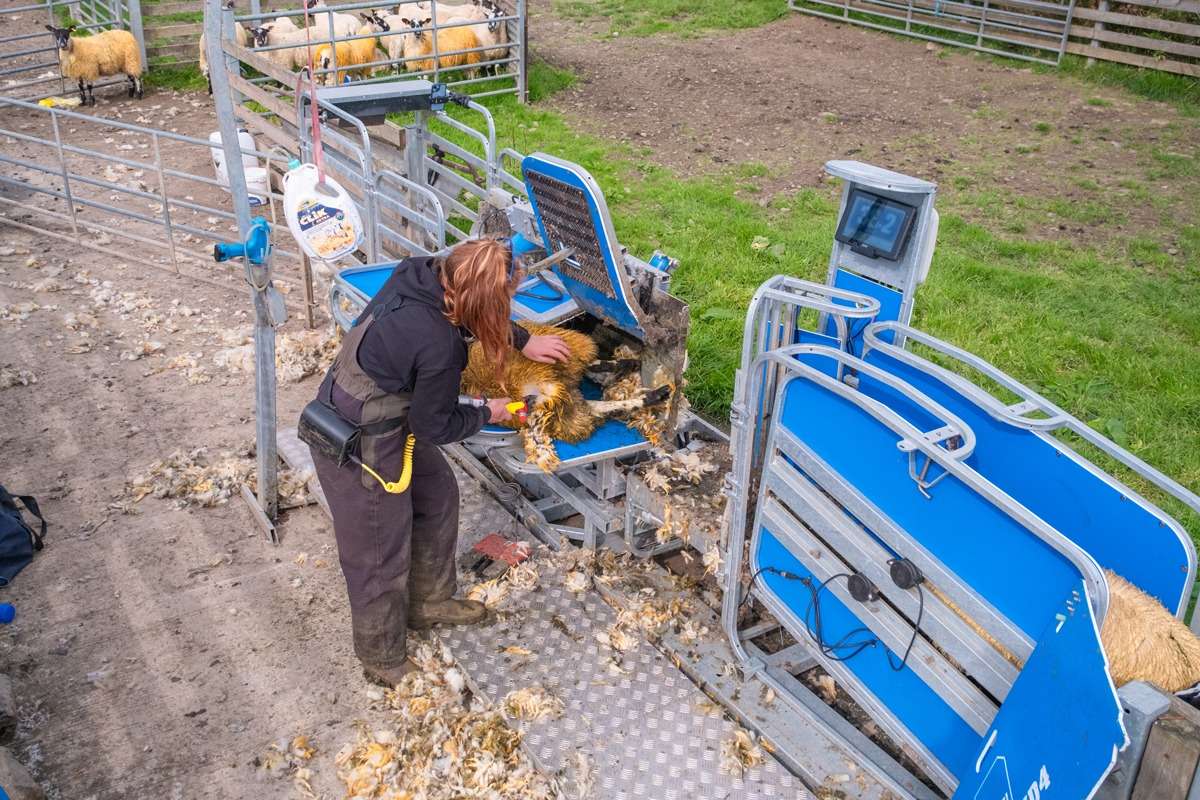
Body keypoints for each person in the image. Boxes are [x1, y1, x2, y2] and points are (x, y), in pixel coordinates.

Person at [308, 237, 570, 685]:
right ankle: (382, 657)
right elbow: (435, 426)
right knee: (377, 551)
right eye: (505, 300)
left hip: (391, 411)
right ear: (482, 299)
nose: (508, 306)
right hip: (360, 439)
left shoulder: (423, 271)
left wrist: (520, 340)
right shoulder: (439, 344)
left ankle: (428, 601)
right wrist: (490, 410)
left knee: (438, 496)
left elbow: (472, 307)